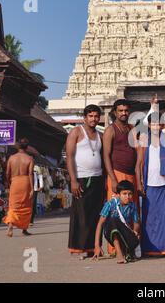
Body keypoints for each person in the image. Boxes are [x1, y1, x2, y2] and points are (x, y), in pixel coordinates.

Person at [136, 112, 165, 257]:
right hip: (149, 184)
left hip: (164, 183)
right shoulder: (143, 138)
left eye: (157, 123)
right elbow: (139, 163)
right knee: (149, 218)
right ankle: (149, 249)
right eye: (152, 123)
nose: (155, 126)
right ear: (149, 125)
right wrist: (139, 183)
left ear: (161, 124)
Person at [66, 105, 105, 257]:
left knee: (95, 214)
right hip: (81, 178)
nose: (94, 119)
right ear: (85, 118)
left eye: (96, 116)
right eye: (91, 116)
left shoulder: (100, 135)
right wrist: (73, 180)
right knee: (81, 214)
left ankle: (92, 247)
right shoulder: (76, 132)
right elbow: (69, 156)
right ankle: (80, 247)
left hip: (97, 178)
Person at [93, 180, 140, 264]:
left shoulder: (132, 205)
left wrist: (135, 231)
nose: (127, 197)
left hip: (125, 233)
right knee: (114, 220)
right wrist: (97, 246)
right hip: (111, 232)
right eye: (124, 194)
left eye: (130, 194)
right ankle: (119, 254)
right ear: (118, 195)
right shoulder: (110, 204)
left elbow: (136, 223)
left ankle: (126, 252)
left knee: (135, 239)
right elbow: (100, 224)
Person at [103, 99, 138, 203]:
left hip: (131, 174)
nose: (124, 113)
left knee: (131, 207)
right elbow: (106, 156)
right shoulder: (110, 130)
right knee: (117, 208)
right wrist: (113, 180)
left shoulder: (132, 128)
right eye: (121, 110)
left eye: (126, 110)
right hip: (117, 173)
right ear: (115, 112)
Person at [4, 138, 34, 237]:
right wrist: (32, 188)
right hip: (25, 183)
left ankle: (11, 225)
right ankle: (24, 229)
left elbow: (7, 173)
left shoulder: (11, 158)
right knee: (26, 206)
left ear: (18, 147)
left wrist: (9, 184)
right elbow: (30, 173)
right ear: (27, 147)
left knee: (13, 205)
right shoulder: (30, 158)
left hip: (15, 182)